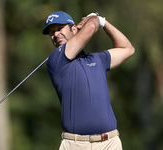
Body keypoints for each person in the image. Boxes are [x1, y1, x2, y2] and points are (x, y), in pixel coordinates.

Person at [42, 11, 135, 150]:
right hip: (75, 144)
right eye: (51, 33)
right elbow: (91, 27)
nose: (55, 34)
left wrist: (103, 22)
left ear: (74, 29)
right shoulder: (56, 61)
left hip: (110, 142)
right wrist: (94, 18)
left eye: (59, 29)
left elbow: (127, 49)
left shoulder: (97, 59)